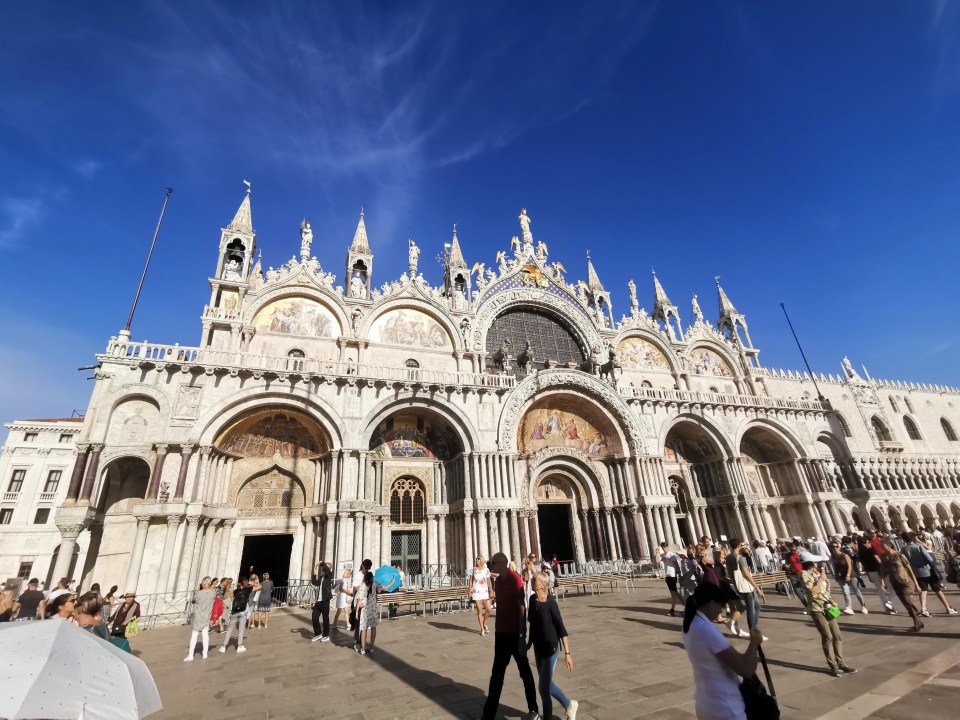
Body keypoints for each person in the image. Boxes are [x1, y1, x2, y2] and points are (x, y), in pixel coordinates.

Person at [682, 581, 764, 720]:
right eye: (720, 605)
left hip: (706, 701)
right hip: (725, 706)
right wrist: (754, 643)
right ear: (711, 603)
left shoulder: (691, 623)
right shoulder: (705, 629)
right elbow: (745, 669)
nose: (720, 611)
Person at [481, 552, 539, 720]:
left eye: (494, 563)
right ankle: (488, 714)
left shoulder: (515, 579)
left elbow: (522, 607)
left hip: (515, 634)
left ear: (502, 563)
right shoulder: (498, 582)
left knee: (525, 672)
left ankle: (533, 710)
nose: (491, 566)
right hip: (501, 634)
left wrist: (522, 635)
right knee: (497, 674)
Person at [527, 571, 577, 720]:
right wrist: (528, 643)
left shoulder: (551, 603)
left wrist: (568, 654)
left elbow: (562, 629)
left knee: (543, 688)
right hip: (538, 648)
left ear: (542, 584)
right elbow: (532, 624)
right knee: (547, 685)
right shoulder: (531, 599)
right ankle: (569, 705)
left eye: (534, 580)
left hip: (551, 649)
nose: (531, 581)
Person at [800, 561, 856, 676]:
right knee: (827, 636)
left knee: (837, 635)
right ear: (812, 565)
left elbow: (824, 591)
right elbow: (813, 591)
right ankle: (833, 665)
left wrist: (831, 599)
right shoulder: (804, 575)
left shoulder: (817, 574)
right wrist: (821, 580)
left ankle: (841, 663)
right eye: (816, 564)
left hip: (827, 607)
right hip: (817, 609)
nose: (818, 566)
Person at [900, 532, 958, 616]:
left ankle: (923, 608)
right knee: (937, 589)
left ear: (904, 540)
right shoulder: (919, 547)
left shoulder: (903, 549)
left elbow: (904, 562)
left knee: (923, 590)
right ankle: (948, 608)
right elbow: (930, 559)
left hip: (916, 573)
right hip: (928, 571)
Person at [878, 538, 925, 631]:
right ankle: (918, 621)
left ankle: (916, 618)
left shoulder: (899, 555)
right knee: (905, 602)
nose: (882, 547)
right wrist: (882, 581)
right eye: (881, 546)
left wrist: (916, 583)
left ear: (888, 544)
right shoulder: (883, 557)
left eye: (883, 545)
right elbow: (883, 570)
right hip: (894, 582)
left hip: (906, 581)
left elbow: (909, 568)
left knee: (908, 600)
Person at [730, 540, 765, 636]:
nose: (746, 548)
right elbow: (746, 574)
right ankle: (753, 630)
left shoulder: (729, 557)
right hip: (746, 585)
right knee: (751, 607)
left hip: (738, 585)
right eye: (744, 546)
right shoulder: (740, 558)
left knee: (756, 606)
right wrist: (757, 587)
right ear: (739, 546)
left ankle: (754, 626)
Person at [857, 531, 896, 613]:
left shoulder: (860, 553)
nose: (870, 544)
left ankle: (887, 608)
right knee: (892, 588)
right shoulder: (871, 550)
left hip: (871, 573)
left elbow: (864, 566)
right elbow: (878, 561)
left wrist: (868, 576)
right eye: (868, 542)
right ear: (864, 544)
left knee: (880, 590)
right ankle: (889, 603)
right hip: (879, 571)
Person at [830, 540, 868, 614]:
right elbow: (835, 567)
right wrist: (836, 575)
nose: (835, 548)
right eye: (833, 547)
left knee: (857, 591)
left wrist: (848, 575)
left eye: (836, 546)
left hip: (851, 575)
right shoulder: (833, 557)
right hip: (841, 576)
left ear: (839, 547)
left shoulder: (844, 555)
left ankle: (863, 606)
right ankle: (849, 607)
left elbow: (850, 566)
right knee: (845, 592)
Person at [185, 577, 217, 661]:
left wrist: (197, 590)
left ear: (203, 584)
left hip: (198, 617)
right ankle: (205, 653)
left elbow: (193, 600)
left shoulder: (198, 594)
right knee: (205, 634)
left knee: (194, 635)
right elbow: (214, 591)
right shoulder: (212, 593)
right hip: (206, 616)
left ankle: (191, 655)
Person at [219, 578, 250, 653]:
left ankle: (223, 646)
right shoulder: (247, 590)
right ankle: (239, 646)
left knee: (229, 629)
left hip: (235, 612)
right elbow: (259, 586)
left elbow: (232, 599)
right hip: (242, 612)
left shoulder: (235, 591)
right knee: (241, 629)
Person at [310, 562, 333, 642]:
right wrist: (314, 573)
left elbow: (326, 569)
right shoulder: (321, 577)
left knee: (325, 618)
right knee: (314, 617)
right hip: (319, 601)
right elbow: (314, 582)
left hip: (325, 600)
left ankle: (326, 635)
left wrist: (321, 563)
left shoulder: (329, 575)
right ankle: (318, 634)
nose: (323, 569)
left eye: (325, 567)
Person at [660, 542, 683, 616]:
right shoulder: (663, 555)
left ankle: (674, 609)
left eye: (666, 548)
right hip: (667, 576)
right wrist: (657, 553)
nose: (665, 549)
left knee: (674, 592)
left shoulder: (672, 555)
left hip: (673, 575)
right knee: (673, 593)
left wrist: (679, 574)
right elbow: (657, 560)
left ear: (668, 547)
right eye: (663, 548)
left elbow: (676, 565)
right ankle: (675, 608)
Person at [472, 556, 493, 635]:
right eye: (476, 559)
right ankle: (482, 629)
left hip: (484, 591)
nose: (477, 560)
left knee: (488, 609)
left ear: (482, 561)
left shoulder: (486, 570)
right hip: (476, 592)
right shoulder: (473, 570)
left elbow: (489, 581)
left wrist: (491, 590)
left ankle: (484, 623)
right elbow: (471, 581)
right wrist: (469, 591)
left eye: (478, 559)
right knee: (479, 611)